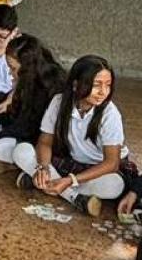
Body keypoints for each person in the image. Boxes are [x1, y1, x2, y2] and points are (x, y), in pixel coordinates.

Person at [12, 55, 134, 218]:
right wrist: (43, 167)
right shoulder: (59, 102)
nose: (103, 92)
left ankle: (44, 183)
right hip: (72, 163)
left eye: (108, 85)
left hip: (100, 170)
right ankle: (75, 197)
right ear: (76, 85)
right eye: (96, 85)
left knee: (114, 186)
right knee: (21, 151)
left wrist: (70, 180)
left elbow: (111, 163)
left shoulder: (109, 114)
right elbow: (45, 142)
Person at [0, 34, 66, 174]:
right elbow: (17, 116)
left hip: (44, 144)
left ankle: (25, 169)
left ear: (27, 67)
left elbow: (24, 127)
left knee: (0, 147)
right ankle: (19, 167)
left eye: (13, 68)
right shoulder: (29, 80)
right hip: (27, 133)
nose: (10, 72)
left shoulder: (48, 87)